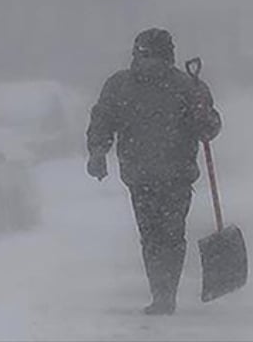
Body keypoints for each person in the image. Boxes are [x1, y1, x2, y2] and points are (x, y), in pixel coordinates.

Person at [86, 28, 222, 315]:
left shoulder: (187, 87)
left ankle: (165, 293)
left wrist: (203, 115)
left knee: (164, 236)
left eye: (151, 57)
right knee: (159, 235)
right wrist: (97, 151)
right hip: (148, 176)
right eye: (144, 56)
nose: (148, 64)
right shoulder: (124, 86)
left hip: (169, 175)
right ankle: (162, 292)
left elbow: (208, 129)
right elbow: (103, 120)